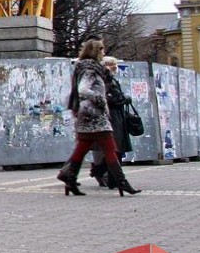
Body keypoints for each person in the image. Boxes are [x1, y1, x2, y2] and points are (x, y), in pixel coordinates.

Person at [57, 38, 141, 197]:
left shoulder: (87, 67)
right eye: (101, 49)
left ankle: (69, 178)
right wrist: (100, 99)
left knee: (83, 147)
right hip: (95, 115)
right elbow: (83, 89)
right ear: (95, 51)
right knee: (110, 148)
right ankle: (122, 183)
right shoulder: (91, 70)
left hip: (85, 114)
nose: (103, 52)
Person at [89, 56, 133, 187]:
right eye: (110, 64)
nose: (114, 66)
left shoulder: (110, 79)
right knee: (112, 149)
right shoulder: (103, 80)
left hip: (114, 118)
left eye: (115, 64)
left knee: (112, 149)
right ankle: (109, 177)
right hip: (110, 118)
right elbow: (110, 99)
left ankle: (110, 177)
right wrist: (125, 98)